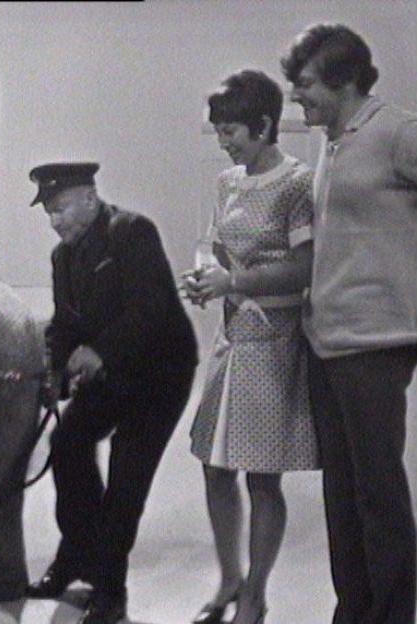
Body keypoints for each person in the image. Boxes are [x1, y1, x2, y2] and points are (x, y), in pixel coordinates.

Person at [282, 24, 417, 624]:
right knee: (341, 497)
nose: (297, 96)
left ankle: (391, 615)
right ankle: (354, 612)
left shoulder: (397, 131)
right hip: (326, 341)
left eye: (305, 84)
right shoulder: (332, 141)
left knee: (378, 495)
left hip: (376, 343)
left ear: (344, 80)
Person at [26, 162, 198, 624]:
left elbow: (151, 311)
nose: (55, 221)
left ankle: (110, 589)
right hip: (113, 375)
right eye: (49, 213)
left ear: (89, 196)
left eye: (60, 208)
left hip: (161, 375)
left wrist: (98, 351)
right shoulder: (62, 258)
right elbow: (63, 325)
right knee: (67, 444)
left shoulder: (131, 232)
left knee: (127, 474)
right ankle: (77, 553)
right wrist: (54, 372)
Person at [181, 70, 319, 624]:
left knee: (263, 475)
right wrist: (206, 279)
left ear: (264, 125)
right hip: (234, 339)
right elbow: (220, 252)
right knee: (215, 468)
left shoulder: (297, 184)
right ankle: (230, 579)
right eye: (218, 131)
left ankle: (256, 594)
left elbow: (305, 268)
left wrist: (234, 283)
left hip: (277, 341)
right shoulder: (227, 183)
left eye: (231, 130)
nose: (224, 141)